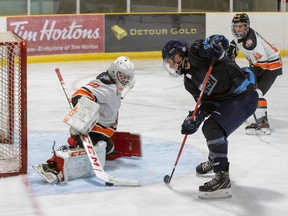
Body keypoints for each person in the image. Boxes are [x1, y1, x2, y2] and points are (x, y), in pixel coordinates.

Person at [162, 35, 258, 198]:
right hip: (227, 100)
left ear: (178, 55)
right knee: (210, 125)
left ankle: (222, 179)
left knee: (213, 128)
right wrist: (195, 117)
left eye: (170, 61)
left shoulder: (196, 52)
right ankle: (215, 160)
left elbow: (219, 41)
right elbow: (208, 103)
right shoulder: (189, 82)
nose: (170, 65)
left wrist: (217, 45)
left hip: (243, 96)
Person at [33, 56, 136, 184]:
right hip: (94, 131)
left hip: (104, 132)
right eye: (122, 76)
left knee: (108, 148)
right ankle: (53, 166)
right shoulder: (104, 85)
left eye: (127, 77)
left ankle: (96, 144)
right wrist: (83, 116)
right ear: (114, 72)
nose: (125, 80)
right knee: (84, 152)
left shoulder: (115, 85)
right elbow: (80, 94)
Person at [227, 13, 283, 135]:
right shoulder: (241, 36)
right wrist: (232, 48)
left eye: (240, 26)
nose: (237, 29)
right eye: (235, 26)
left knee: (255, 92)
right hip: (262, 64)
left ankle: (263, 123)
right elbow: (236, 43)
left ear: (246, 27)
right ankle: (246, 112)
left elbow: (262, 64)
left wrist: (248, 75)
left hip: (271, 67)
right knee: (247, 89)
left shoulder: (251, 41)